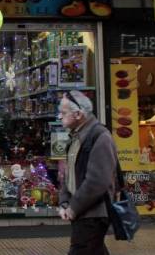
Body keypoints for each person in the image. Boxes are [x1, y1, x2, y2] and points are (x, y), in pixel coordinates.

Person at [57, 90, 118, 255]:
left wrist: (73, 207)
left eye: (63, 113)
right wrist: (64, 202)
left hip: (93, 214)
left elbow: (97, 181)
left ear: (78, 114)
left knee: (81, 250)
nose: (59, 117)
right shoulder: (76, 137)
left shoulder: (99, 137)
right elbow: (68, 175)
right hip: (83, 213)